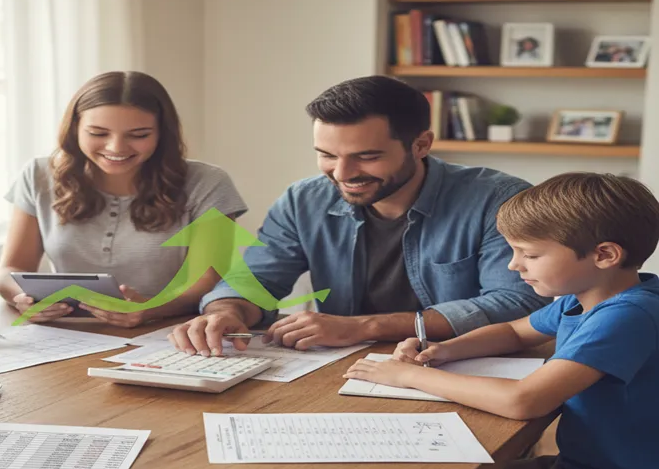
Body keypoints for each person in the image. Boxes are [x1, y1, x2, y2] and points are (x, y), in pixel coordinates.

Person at [345, 173, 659, 469]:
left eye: (529, 254)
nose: (514, 265)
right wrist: (441, 350)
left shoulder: (629, 315)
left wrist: (409, 375)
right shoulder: (582, 299)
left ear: (604, 255)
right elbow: (514, 332)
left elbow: (524, 400)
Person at [170, 76, 549, 356]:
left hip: (464, 364)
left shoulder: (499, 199)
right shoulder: (304, 200)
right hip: (341, 365)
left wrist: (364, 326)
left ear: (420, 145)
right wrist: (225, 311)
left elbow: (519, 303)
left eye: (366, 156)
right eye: (328, 155)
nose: (342, 173)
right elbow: (255, 279)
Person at [0, 71, 247, 327]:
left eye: (138, 135)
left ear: (162, 134)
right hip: (67, 333)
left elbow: (207, 281)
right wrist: (22, 298)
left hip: (170, 332)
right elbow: (11, 269)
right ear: (75, 129)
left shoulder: (208, 183)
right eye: (98, 133)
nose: (116, 148)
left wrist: (149, 309)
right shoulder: (38, 175)